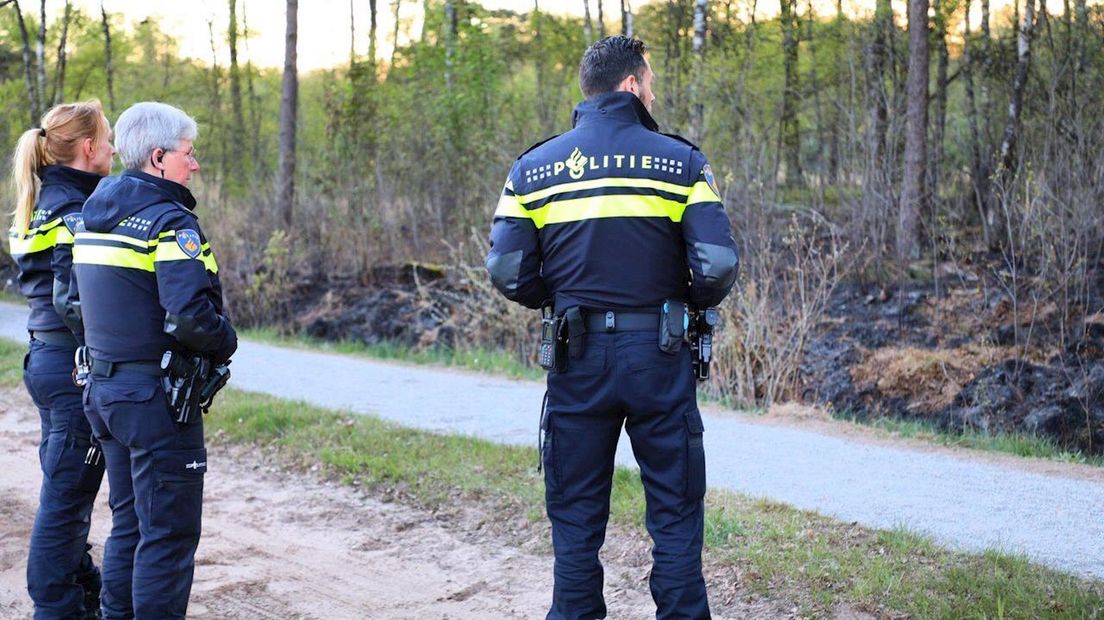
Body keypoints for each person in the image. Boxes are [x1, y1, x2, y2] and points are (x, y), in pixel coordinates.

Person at [485, 36, 738, 620]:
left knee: (575, 517)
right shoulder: (681, 162)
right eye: (649, 82)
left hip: (577, 358)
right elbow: (718, 263)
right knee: (674, 514)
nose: (653, 92)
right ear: (631, 85)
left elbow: (504, 267)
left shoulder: (534, 168)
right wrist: (684, 302)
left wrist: (562, 299)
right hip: (660, 351)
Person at [72, 102, 237, 619]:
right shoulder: (169, 223)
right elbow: (192, 316)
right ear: (159, 157)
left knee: (132, 525)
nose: (196, 164)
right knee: (168, 535)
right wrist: (227, 341)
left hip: (105, 392)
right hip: (156, 403)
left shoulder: (95, 209)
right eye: (189, 153)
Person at [8, 100, 115, 620]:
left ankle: (82, 589)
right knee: (66, 503)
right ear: (89, 148)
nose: (115, 149)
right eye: (109, 139)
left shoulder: (46, 202)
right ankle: (55, 606)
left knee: (65, 491)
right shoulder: (76, 212)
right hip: (69, 368)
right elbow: (77, 303)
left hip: (46, 362)